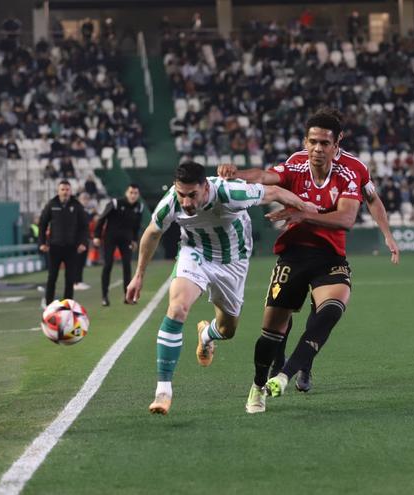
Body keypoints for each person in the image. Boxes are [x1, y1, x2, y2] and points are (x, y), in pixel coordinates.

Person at [220, 108, 399, 394]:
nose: (318, 148)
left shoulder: (353, 170)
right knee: (280, 319)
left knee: (323, 312)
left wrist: (387, 234)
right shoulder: (296, 163)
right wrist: (237, 174)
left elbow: (369, 202)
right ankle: (279, 367)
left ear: (337, 142)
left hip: (329, 253)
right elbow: (266, 176)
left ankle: (299, 368)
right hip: (294, 252)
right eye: (313, 141)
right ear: (306, 142)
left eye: (325, 142)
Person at [125, 161, 316, 415]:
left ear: (205, 187)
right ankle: (163, 391)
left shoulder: (231, 192)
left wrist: (307, 208)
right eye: (182, 194)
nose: (186, 202)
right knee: (178, 307)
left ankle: (206, 335)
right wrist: (138, 275)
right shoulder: (172, 201)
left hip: (233, 263)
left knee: (228, 329)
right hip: (196, 254)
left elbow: (276, 192)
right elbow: (152, 233)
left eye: (192, 195)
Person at [38, 180, 88, 307]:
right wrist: (42, 242)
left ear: (70, 191)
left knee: (70, 278)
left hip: (71, 248)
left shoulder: (76, 205)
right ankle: (49, 304)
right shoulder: (51, 204)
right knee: (52, 277)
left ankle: (68, 305)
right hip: (54, 247)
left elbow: (84, 226)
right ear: (58, 191)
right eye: (63, 189)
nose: (65, 192)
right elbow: (42, 224)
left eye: (67, 190)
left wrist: (82, 242)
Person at [94, 184, 143, 307]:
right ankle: (104, 297)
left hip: (126, 240)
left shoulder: (139, 207)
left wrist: (134, 240)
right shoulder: (115, 203)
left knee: (127, 266)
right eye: (131, 192)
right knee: (108, 264)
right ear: (127, 193)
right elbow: (102, 219)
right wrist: (97, 236)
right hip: (110, 238)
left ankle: (128, 297)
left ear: (138, 195)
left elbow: (136, 226)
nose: (133, 195)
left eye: (135, 193)